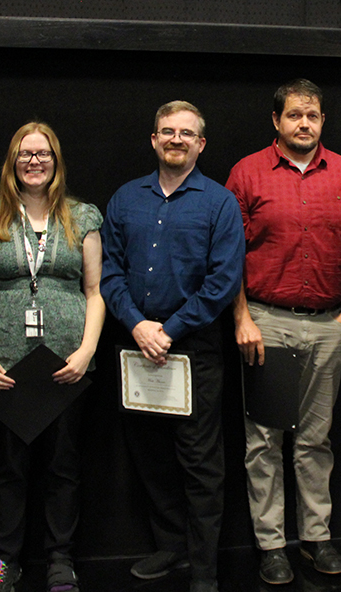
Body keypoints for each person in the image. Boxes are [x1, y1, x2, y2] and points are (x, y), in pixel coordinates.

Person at [225, 78, 341, 585]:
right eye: (293, 115)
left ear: (322, 120)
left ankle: (315, 537)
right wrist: (242, 318)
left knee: (315, 440)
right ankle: (271, 544)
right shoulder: (247, 173)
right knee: (263, 440)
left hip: (330, 324)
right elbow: (228, 256)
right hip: (266, 323)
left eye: (312, 115)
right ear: (276, 121)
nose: (303, 123)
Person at [100, 101, 245, 592]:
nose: (176, 139)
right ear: (155, 140)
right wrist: (139, 325)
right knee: (151, 455)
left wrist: (170, 329)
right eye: (167, 131)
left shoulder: (220, 203)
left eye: (186, 133)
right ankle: (171, 547)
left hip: (194, 349)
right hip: (135, 347)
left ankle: (204, 570)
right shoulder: (125, 199)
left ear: (200, 144)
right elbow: (109, 272)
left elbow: (223, 282)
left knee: (200, 463)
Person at [0, 122, 105, 592]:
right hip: (6, 365)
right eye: (25, 154)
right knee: (9, 467)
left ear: (56, 161)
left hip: (65, 363)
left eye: (43, 153)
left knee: (63, 465)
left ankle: (60, 559)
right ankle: (4, 560)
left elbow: (95, 291)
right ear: (12, 162)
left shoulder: (82, 216)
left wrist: (86, 351)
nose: (34, 161)